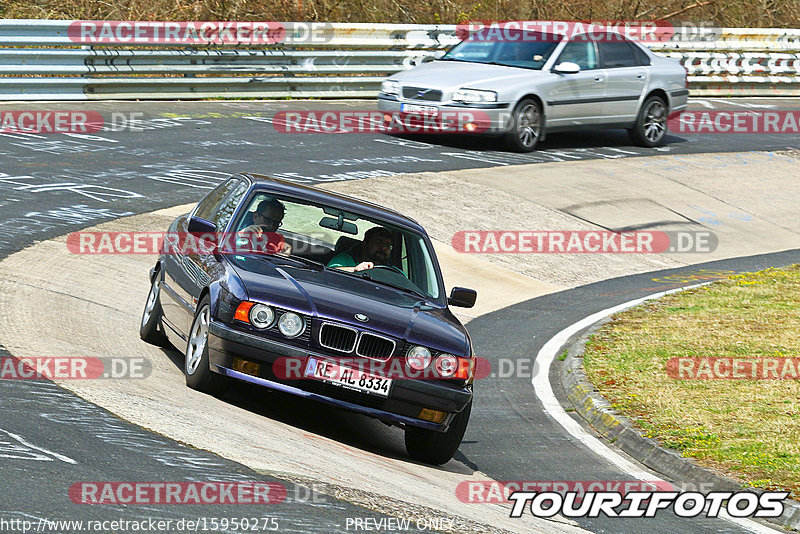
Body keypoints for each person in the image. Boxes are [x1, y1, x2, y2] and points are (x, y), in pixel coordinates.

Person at [328, 226, 393, 272]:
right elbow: (330, 272)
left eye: (387, 245)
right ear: (365, 243)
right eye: (378, 243)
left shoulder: (394, 271)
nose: (384, 248)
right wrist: (355, 270)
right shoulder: (345, 258)